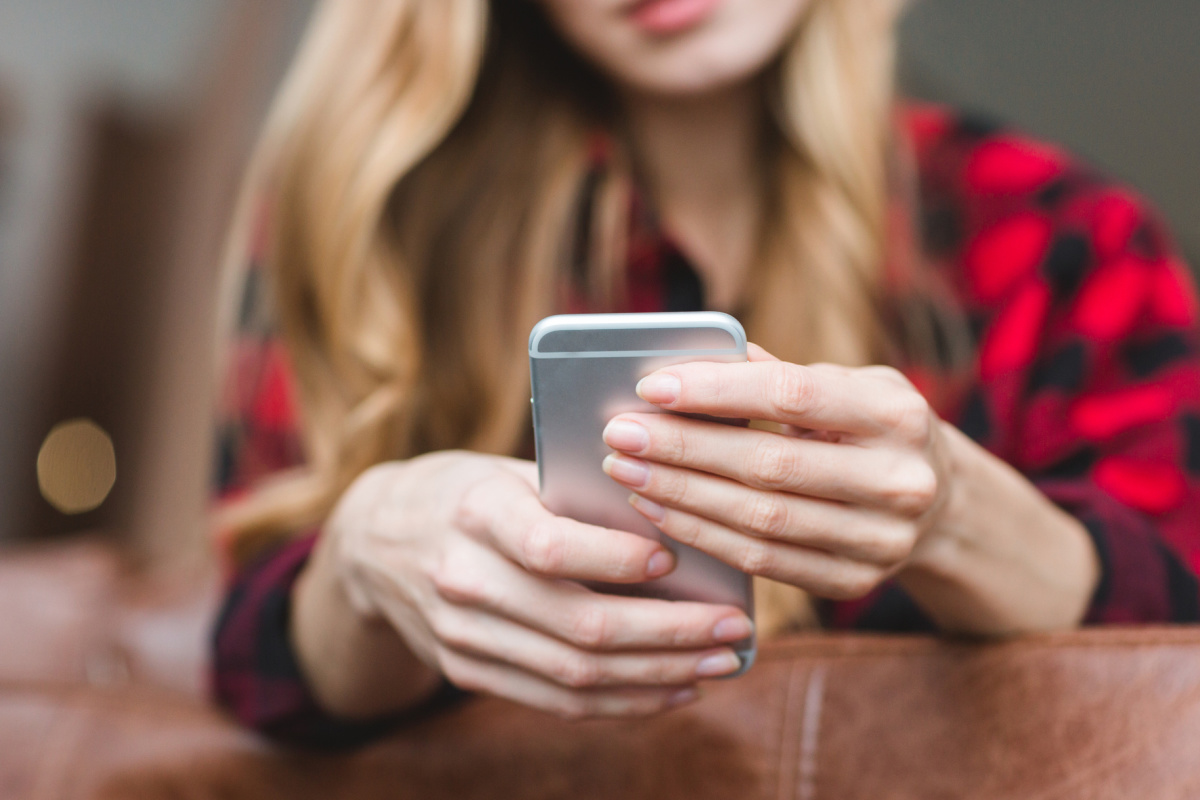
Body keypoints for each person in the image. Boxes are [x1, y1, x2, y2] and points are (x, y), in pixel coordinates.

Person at [211, 0, 1200, 748]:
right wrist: (364, 555)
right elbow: (257, 667)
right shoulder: (385, 223)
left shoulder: (1059, 237)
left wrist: (951, 519)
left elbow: (1177, 638)